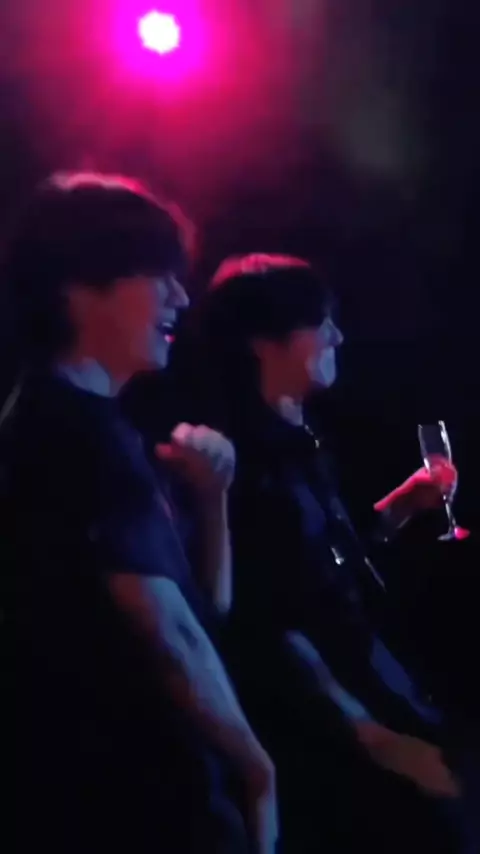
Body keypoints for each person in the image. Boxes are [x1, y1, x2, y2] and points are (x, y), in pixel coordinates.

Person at [162, 253, 473, 853]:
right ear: (264, 342)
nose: (337, 336)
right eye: (319, 321)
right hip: (338, 744)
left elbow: (324, 561)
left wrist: (402, 505)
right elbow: (266, 626)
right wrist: (371, 736)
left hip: (388, 699)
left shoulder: (298, 444)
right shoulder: (243, 466)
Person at [1, 178, 277, 854]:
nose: (180, 297)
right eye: (159, 276)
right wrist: (257, 769)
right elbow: (172, 640)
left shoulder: (93, 425)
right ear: (79, 287)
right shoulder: (73, 434)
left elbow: (202, 612)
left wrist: (213, 498)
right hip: (142, 805)